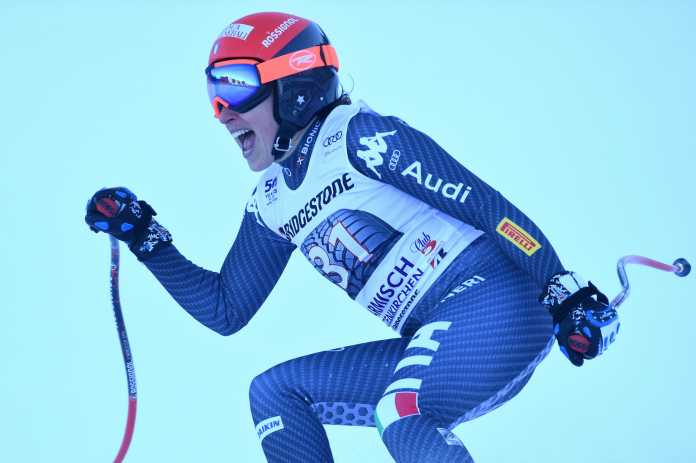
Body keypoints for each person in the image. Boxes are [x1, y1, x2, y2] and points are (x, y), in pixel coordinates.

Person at [85, 12, 621, 463]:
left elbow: (486, 206)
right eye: (213, 93)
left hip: (498, 300)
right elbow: (226, 308)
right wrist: (145, 237)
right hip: (440, 331)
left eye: (234, 86)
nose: (222, 113)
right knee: (275, 393)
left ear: (293, 86)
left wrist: (564, 290)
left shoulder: (357, 137)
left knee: (401, 411)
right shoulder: (273, 200)